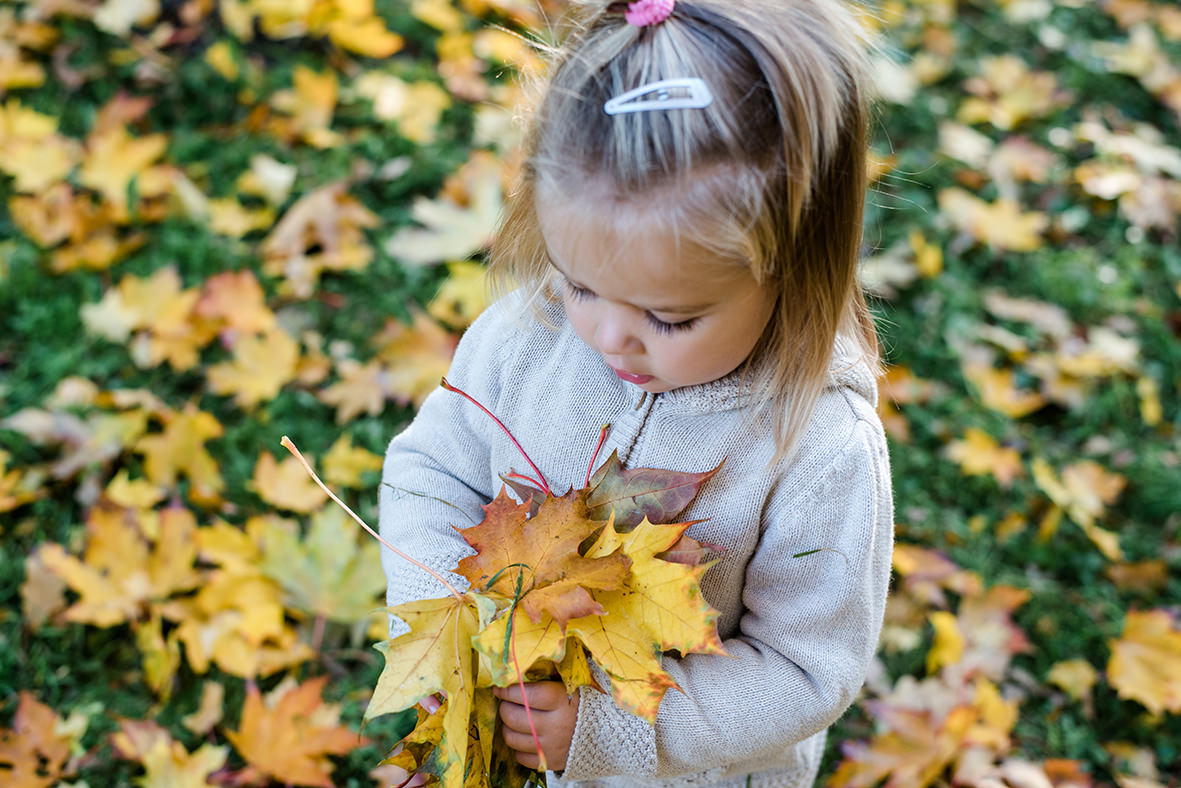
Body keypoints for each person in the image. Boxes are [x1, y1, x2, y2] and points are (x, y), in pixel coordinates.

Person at [379, 0, 894, 785]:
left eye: (668, 316)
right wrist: (453, 621)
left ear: (793, 268)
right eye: (581, 283)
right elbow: (430, 472)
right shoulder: (524, 335)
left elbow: (802, 669)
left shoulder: (818, 447)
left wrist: (608, 729)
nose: (609, 336)